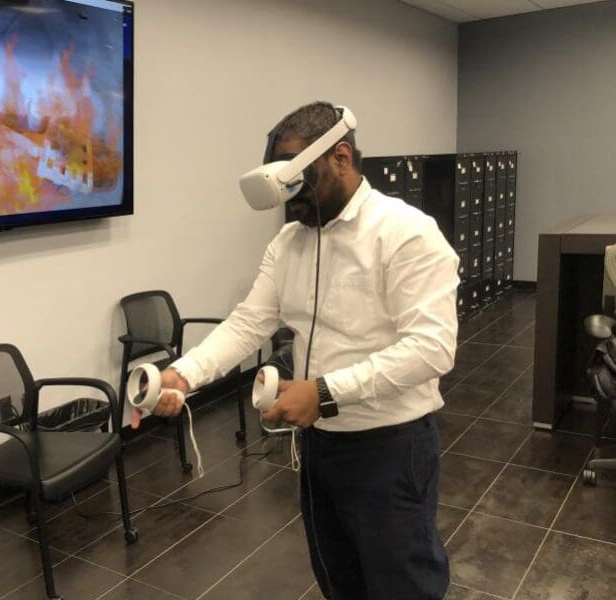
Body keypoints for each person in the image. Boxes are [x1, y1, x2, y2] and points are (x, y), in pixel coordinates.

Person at [130, 101, 459, 599]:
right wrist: (185, 374)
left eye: (295, 179)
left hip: (390, 449)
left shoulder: (406, 232)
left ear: (341, 157)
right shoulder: (290, 243)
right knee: (340, 579)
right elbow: (248, 322)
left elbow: (432, 349)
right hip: (320, 447)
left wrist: (325, 392)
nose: (289, 200)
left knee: (402, 586)